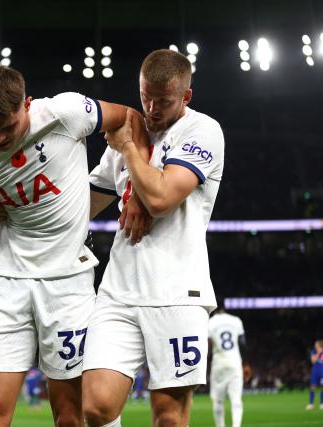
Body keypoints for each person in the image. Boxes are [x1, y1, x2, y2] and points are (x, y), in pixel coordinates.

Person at [0, 64, 148, 427]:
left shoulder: (66, 113)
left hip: (67, 283)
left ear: (27, 105)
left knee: (69, 415)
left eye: (9, 127)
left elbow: (130, 118)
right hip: (8, 285)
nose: (0, 138)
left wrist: (136, 190)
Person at [82, 48, 225, 427]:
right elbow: (85, 205)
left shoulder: (203, 131)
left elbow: (161, 197)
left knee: (169, 418)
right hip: (119, 290)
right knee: (96, 407)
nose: (152, 108)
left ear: (185, 97)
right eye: (146, 97)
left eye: (163, 101)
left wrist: (128, 146)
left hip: (177, 293)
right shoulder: (131, 138)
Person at [208, 304, 247, 427]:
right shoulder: (236, 320)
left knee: (218, 401)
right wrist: (246, 364)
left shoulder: (210, 322)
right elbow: (242, 343)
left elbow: (207, 347)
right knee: (236, 400)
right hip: (235, 362)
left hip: (219, 363)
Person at [307, 339, 323, 410]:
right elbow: (313, 361)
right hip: (314, 372)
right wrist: (318, 354)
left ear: (320, 345)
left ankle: (322, 404)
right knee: (312, 388)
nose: (315, 346)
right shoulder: (313, 352)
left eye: (316, 345)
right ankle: (311, 404)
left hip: (322, 373)